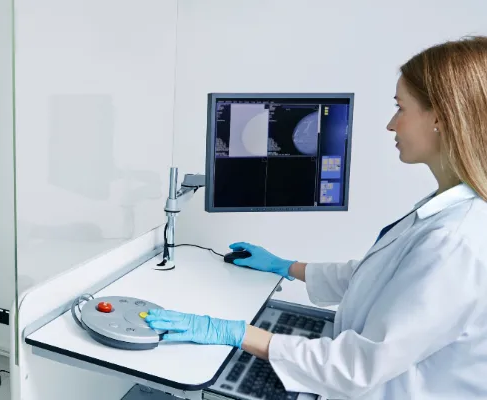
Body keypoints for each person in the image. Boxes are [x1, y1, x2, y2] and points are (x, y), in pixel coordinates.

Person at [146, 36, 487, 399]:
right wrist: (286, 266)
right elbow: (378, 280)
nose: (391, 124)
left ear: (439, 117)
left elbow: (355, 367)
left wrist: (233, 333)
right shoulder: (452, 206)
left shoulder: (457, 240)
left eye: (400, 108)